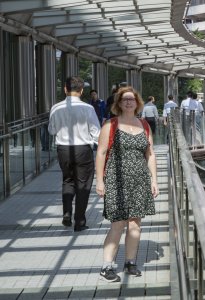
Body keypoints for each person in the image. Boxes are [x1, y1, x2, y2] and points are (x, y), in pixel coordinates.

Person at [95, 86, 159, 283]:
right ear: (119, 103)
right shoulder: (110, 125)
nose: (129, 102)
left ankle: (130, 262)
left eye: (132, 99)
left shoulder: (144, 125)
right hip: (116, 180)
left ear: (137, 102)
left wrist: (154, 179)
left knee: (135, 224)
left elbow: (150, 154)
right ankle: (107, 266)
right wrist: (99, 181)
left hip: (139, 180)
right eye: (125, 100)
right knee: (118, 224)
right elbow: (101, 153)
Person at [48, 76, 101, 232]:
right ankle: (79, 221)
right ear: (82, 90)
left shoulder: (56, 108)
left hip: (63, 149)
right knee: (83, 185)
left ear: (65, 89)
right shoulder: (88, 108)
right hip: (83, 149)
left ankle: (66, 213)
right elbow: (96, 132)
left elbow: (51, 130)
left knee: (68, 180)